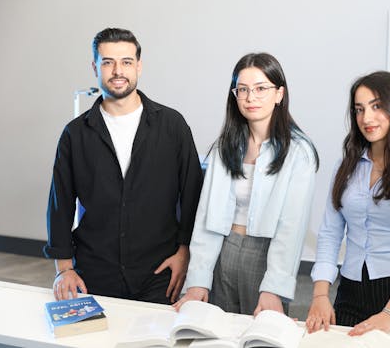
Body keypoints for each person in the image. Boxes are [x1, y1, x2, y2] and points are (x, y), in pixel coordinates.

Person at [43, 28, 203, 304]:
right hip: (93, 273)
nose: (118, 71)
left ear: (139, 66)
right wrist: (64, 269)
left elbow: (192, 195)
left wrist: (185, 252)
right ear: (95, 67)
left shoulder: (172, 126)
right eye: (108, 62)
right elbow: (60, 205)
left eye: (126, 62)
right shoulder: (75, 134)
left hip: (160, 274)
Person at [173, 52, 319, 316]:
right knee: (216, 335)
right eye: (243, 90)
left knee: (259, 335)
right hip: (223, 250)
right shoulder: (224, 147)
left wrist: (273, 287)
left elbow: (291, 226)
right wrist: (198, 280)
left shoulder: (299, 152)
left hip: (265, 255)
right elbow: (207, 216)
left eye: (261, 89)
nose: (251, 98)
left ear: (279, 94)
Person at [306, 71, 390, 348]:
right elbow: (330, 233)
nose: (367, 118)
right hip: (351, 290)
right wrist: (320, 295)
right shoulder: (345, 167)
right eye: (359, 109)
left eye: (377, 106)